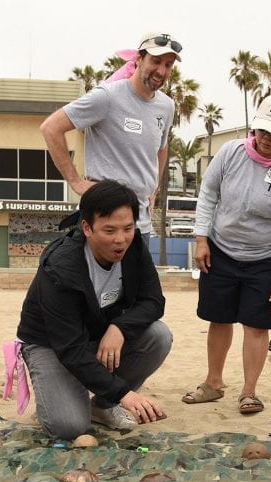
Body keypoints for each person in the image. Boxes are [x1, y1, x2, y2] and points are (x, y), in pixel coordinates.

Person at [181, 95, 271, 416]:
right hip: (220, 250)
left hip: (266, 260)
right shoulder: (230, 152)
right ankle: (213, 382)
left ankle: (249, 391)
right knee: (219, 318)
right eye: (262, 129)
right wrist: (201, 239)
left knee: (256, 326)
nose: (265, 138)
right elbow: (208, 194)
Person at [16, 180, 171, 439]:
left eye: (128, 228)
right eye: (109, 230)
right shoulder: (61, 268)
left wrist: (119, 327)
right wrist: (124, 394)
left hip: (96, 335)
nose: (120, 240)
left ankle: (102, 405)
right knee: (69, 428)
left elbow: (154, 301)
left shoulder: (134, 248)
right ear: (87, 227)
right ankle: (60, 396)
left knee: (158, 336)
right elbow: (70, 349)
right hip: (51, 345)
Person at [40, 31, 179, 242]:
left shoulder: (166, 106)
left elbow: (161, 147)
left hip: (140, 226)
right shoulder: (107, 96)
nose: (161, 71)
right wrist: (75, 181)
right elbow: (51, 128)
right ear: (139, 59)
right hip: (103, 223)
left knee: (139, 277)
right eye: (156, 61)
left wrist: (154, 188)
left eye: (168, 65)